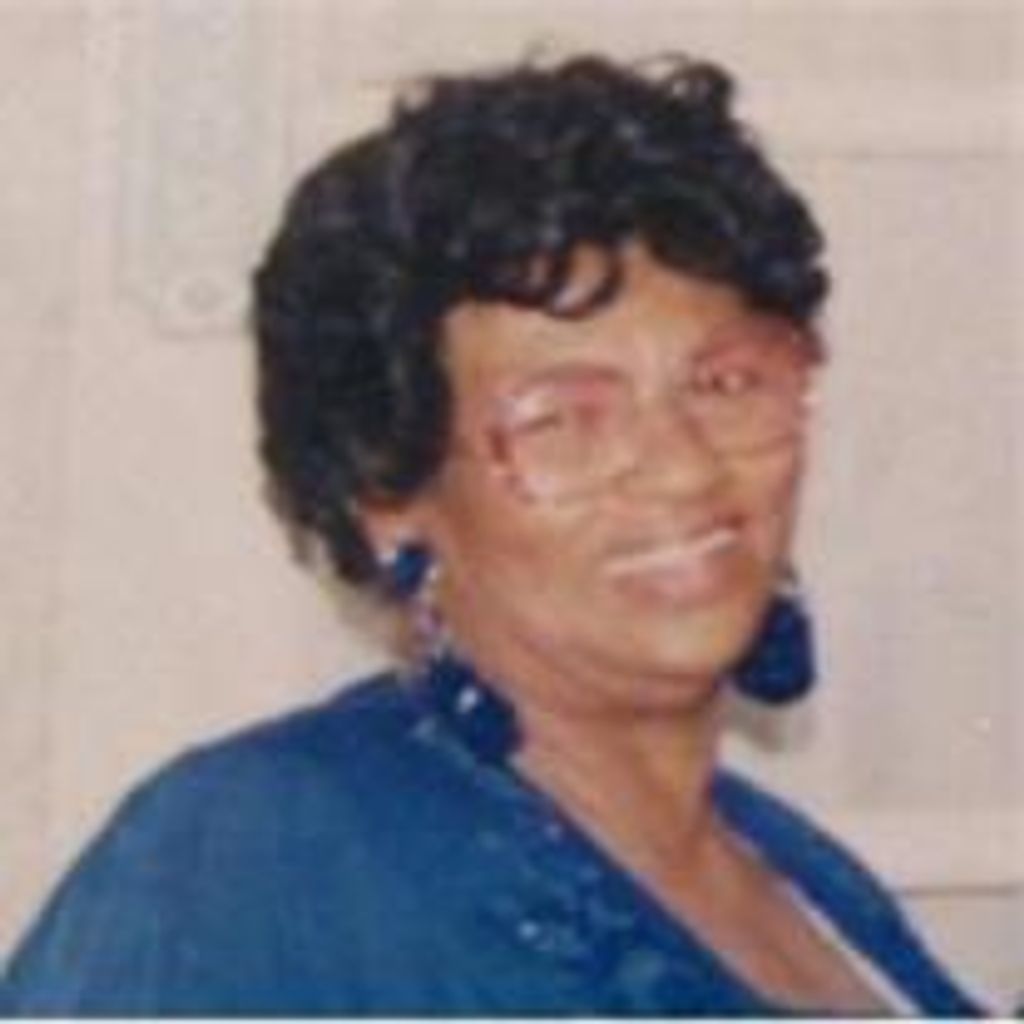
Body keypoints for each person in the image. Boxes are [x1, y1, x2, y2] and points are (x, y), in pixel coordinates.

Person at [1, 53, 984, 1015]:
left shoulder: (805, 876)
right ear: (388, 493)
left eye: (725, 383)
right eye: (563, 419)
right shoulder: (249, 860)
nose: (685, 467)